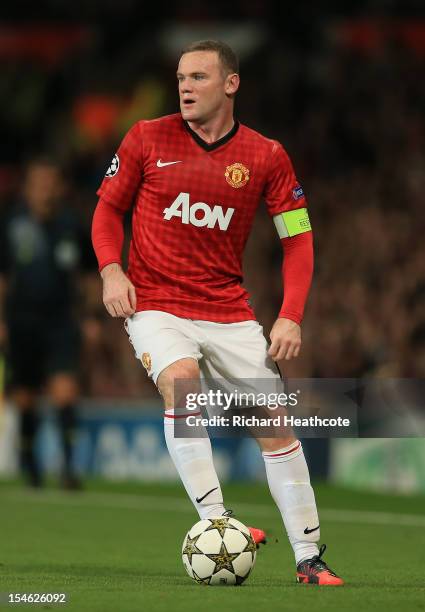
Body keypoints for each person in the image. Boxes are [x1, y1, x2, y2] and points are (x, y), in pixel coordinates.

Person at [92, 40, 344, 586]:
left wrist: (291, 313)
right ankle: (218, 523)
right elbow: (108, 209)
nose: (185, 86)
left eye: (200, 77)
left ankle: (309, 558)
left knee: (275, 428)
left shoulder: (266, 156)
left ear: (231, 84)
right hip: (156, 304)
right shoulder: (146, 137)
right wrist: (112, 269)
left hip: (228, 310)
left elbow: (298, 241)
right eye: (181, 76)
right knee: (181, 384)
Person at [0, 157, 95, 489]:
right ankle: (31, 466)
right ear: (28, 188)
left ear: (59, 187)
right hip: (21, 321)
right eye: (38, 183)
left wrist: (92, 319)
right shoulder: (11, 225)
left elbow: (88, 276)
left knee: (65, 394)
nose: (45, 189)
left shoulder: (72, 226)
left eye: (50, 182)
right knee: (25, 398)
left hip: (61, 321)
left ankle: (69, 469)